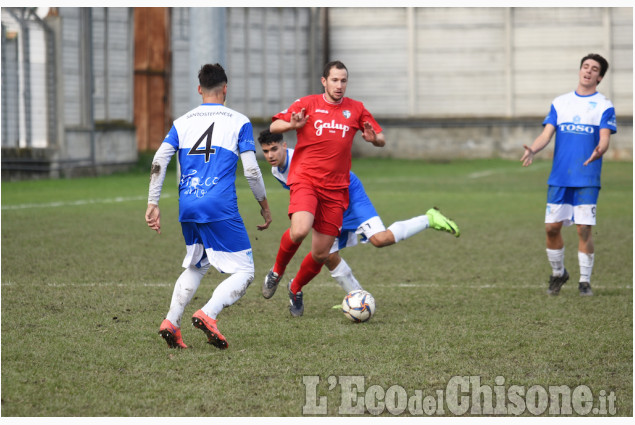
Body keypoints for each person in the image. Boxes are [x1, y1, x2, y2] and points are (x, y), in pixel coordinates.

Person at [145, 63, 272, 349]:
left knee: (197, 264)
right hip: (219, 207)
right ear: (225, 89)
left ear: (199, 89)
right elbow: (251, 171)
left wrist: (153, 202)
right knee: (245, 271)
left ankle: (171, 322)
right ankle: (208, 314)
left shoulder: (182, 122)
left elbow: (158, 160)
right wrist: (264, 205)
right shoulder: (239, 121)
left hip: (187, 204)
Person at [258, 129, 460, 296]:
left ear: (284, 146)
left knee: (380, 239)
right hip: (325, 201)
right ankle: (357, 297)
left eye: (274, 149)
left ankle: (429, 218)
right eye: (266, 152)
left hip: (347, 191)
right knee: (327, 254)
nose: (270, 156)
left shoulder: (303, 158)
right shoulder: (277, 171)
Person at [262, 60, 387, 317]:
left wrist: (375, 140)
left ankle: (295, 288)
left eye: (343, 81)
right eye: (334, 80)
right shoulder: (306, 104)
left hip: (336, 189)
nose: (339, 85)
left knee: (320, 253)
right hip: (306, 180)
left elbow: (381, 137)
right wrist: (292, 125)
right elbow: (274, 126)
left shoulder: (356, 109)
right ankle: (276, 271)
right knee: (299, 230)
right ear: (324, 81)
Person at [520, 53, 617, 296]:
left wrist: (600, 150)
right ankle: (558, 273)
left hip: (586, 177)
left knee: (583, 229)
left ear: (600, 77)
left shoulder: (604, 105)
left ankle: (585, 280)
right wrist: (533, 148)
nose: (588, 71)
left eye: (594, 69)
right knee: (552, 228)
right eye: (585, 67)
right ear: (580, 70)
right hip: (560, 177)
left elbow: (605, 138)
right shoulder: (561, 102)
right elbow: (546, 134)